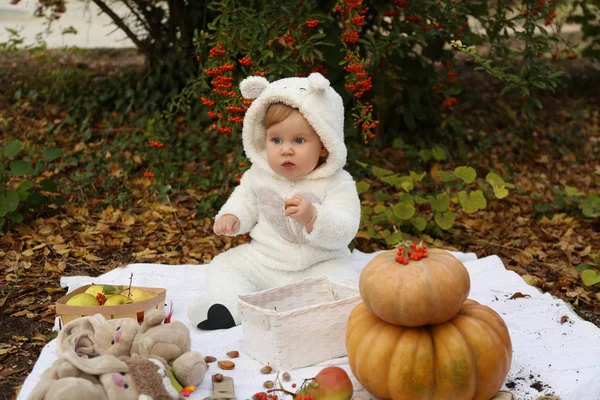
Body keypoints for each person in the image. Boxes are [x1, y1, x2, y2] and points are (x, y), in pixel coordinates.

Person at [187, 72, 361, 330]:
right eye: (276, 140)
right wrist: (232, 217)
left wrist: (314, 218)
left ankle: (319, 316)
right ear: (262, 139)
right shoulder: (258, 176)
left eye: (299, 140)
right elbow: (244, 201)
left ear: (325, 145)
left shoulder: (338, 182)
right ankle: (228, 308)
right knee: (226, 264)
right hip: (266, 264)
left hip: (321, 265)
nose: (285, 149)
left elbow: (346, 227)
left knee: (345, 282)